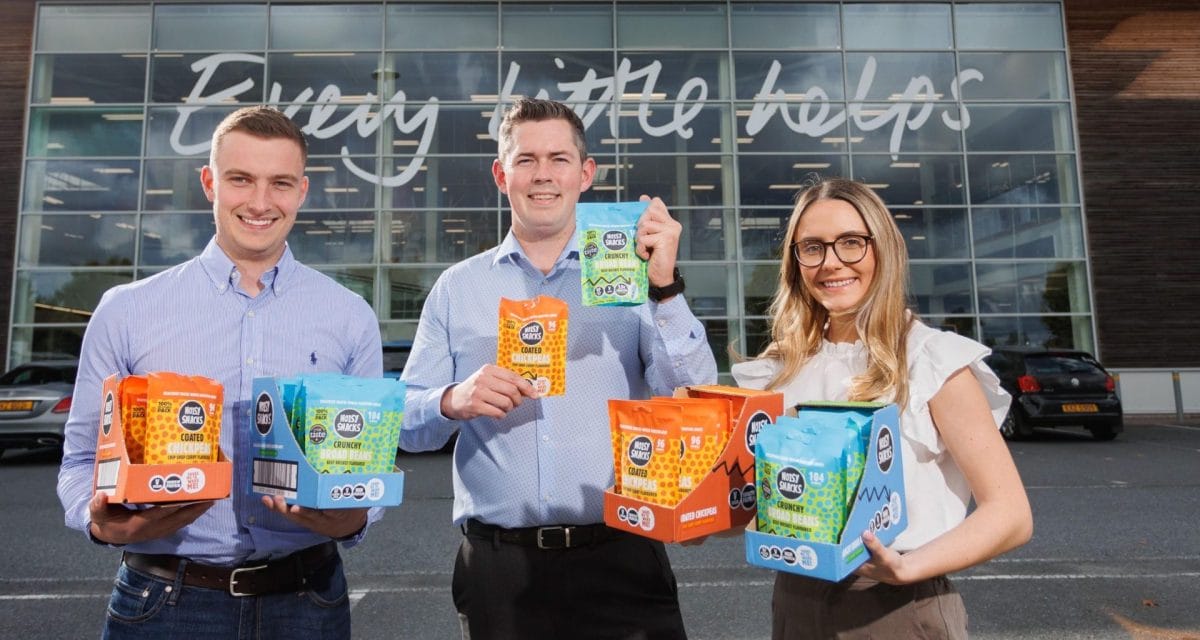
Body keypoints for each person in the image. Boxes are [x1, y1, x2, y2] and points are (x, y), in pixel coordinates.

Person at [57, 105, 385, 639]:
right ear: (210, 183)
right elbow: (78, 461)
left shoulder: (350, 316)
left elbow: (367, 466)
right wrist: (99, 522)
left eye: (280, 183)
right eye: (241, 179)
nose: (260, 202)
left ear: (302, 192)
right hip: (165, 603)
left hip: (309, 602)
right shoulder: (127, 310)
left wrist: (357, 518)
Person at [400, 97, 718, 640]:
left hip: (622, 557)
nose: (542, 175)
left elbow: (693, 397)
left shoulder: (632, 277)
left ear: (585, 173)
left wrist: (665, 288)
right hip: (499, 569)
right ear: (501, 175)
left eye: (559, 159)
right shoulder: (458, 288)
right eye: (526, 160)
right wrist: (452, 399)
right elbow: (407, 424)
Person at [731, 178, 1033, 639]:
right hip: (796, 597)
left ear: (883, 249)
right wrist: (707, 518)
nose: (831, 262)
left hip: (897, 606)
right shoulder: (782, 368)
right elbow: (766, 499)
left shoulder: (932, 361)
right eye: (812, 247)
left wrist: (908, 569)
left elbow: (1010, 515)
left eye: (851, 242)